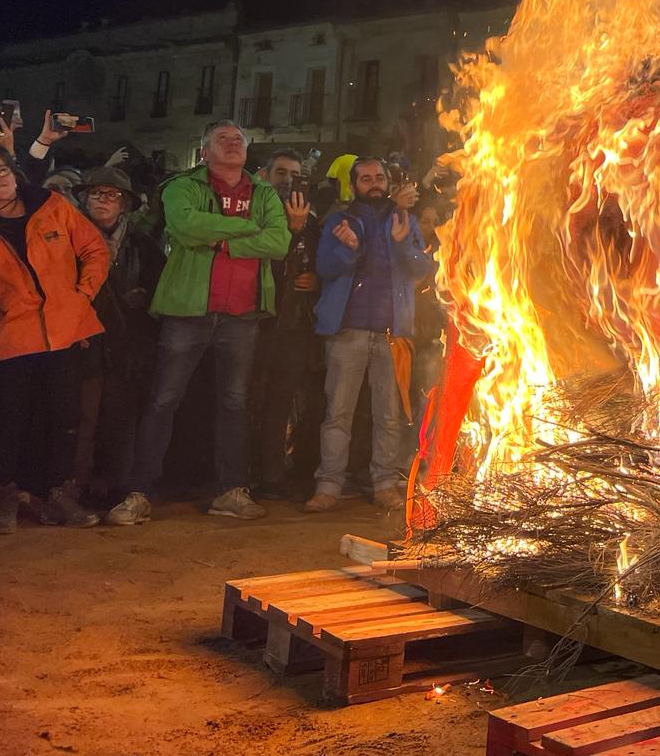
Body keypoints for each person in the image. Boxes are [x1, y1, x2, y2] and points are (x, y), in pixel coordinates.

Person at [107, 121, 291, 526]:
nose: (232, 144)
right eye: (222, 139)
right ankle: (139, 492)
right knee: (163, 399)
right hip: (188, 310)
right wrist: (249, 231)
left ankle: (231, 490)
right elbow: (186, 225)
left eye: (238, 139)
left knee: (235, 403)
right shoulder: (181, 186)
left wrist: (222, 240)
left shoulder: (262, 192)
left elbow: (279, 241)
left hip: (243, 314)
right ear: (204, 151)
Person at [0, 145, 110, 532]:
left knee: (63, 420)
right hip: (12, 337)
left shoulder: (52, 205)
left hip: (65, 333)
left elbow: (94, 249)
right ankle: (5, 502)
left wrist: (81, 297)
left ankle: (58, 497)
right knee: (8, 422)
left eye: (1, 169)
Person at [304, 157, 432, 513]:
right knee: (338, 413)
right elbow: (325, 268)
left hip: (392, 333)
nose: (373, 183)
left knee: (389, 415)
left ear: (388, 182)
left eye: (379, 177)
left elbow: (424, 269)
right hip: (348, 332)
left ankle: (385, 484)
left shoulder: (403, 219)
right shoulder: (339, 220)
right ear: (354, 183)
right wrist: (348, 248)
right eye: (365, 178)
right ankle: (328, 485)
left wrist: (403, 244)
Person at [75, 167, 164, 500]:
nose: (103, 200)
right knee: (83, 417)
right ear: (84, 198)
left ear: (125, 204)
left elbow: (158, 289)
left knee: (120, 418)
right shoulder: (71, 238)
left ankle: (115, 487)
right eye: (97, 193)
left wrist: (141, 301)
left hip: (128, 345)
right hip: (84, 342)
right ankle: (78, 486)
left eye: (112, 194)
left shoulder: (142, 245)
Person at [248, 148, 322, 497]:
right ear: (265, 174)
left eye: (295, 174)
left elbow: (325, 262)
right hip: (255, 318)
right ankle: (243, 474)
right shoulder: (255, 212)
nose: (288, 180)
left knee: (282, 400)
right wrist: (290, 231)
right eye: (281, 173)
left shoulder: (314, 218)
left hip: (294, 323)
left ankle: (274, 474)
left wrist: (317, 279)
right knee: (247, 397)